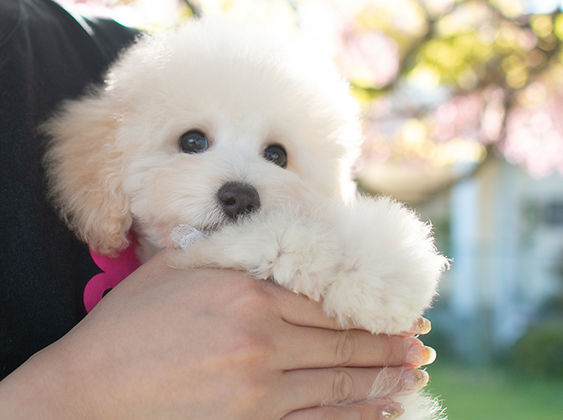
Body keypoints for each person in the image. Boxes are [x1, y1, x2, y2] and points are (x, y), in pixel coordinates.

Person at [0, 1, 436, 418]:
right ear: (112, 164)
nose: (240, 186)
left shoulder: (94, 47)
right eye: (193, 141)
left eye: (277, 155)